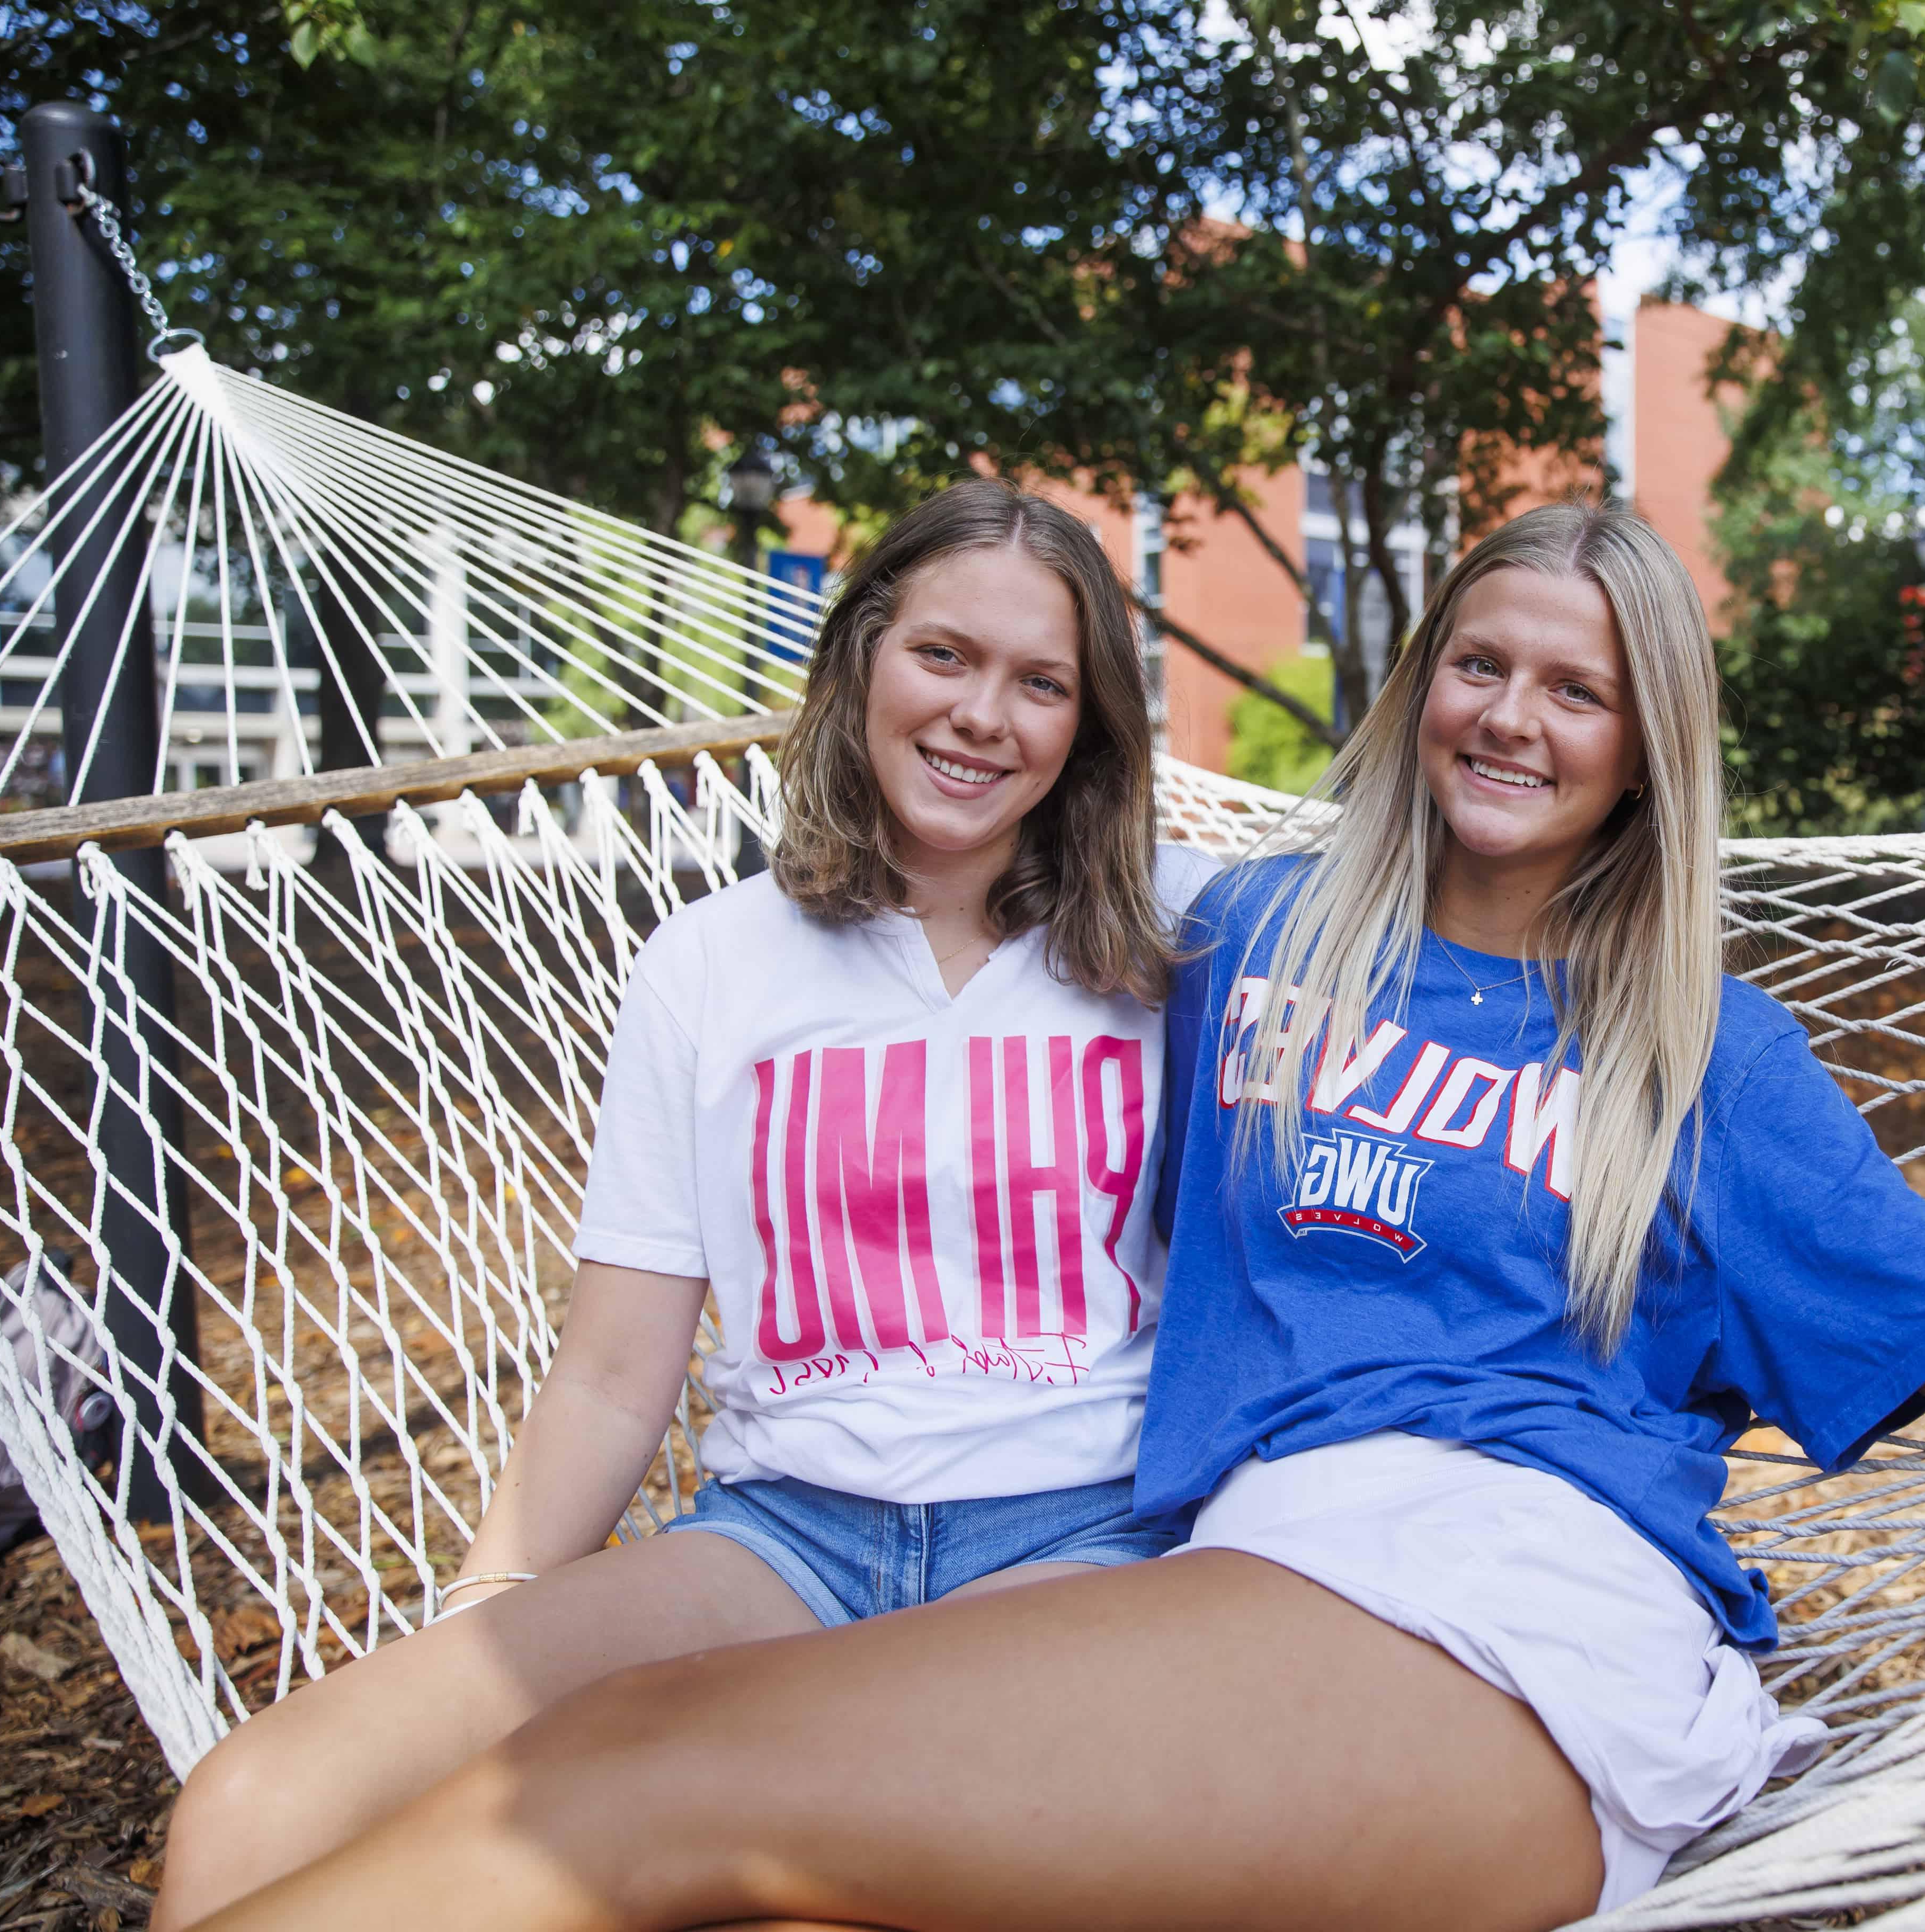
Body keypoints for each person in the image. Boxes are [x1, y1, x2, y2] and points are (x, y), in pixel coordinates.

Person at [182, 502, 1925, 1932]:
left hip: (1513, 1618)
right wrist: (884, 775)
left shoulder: (1695, 1056)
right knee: (281, 1833)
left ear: (1643, 754)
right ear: (1419, 700)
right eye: (1482, 667)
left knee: (634, 1802)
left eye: (1578, 690)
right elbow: (959, 942)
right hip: (1228, 1573)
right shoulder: (1243, 948)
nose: (1515, 715)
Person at [155, 479, 1217, 1930]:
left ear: (1086, 729)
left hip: (1076, 1543)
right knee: (255, 1812)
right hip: (784, 1539)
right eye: (945, 656)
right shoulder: (713, 962)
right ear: (861, 660)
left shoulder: (1188, 941)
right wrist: (499, 1597)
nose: (984, 715)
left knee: (799, 1877)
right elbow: (612, 1363)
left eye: (1043, 684)